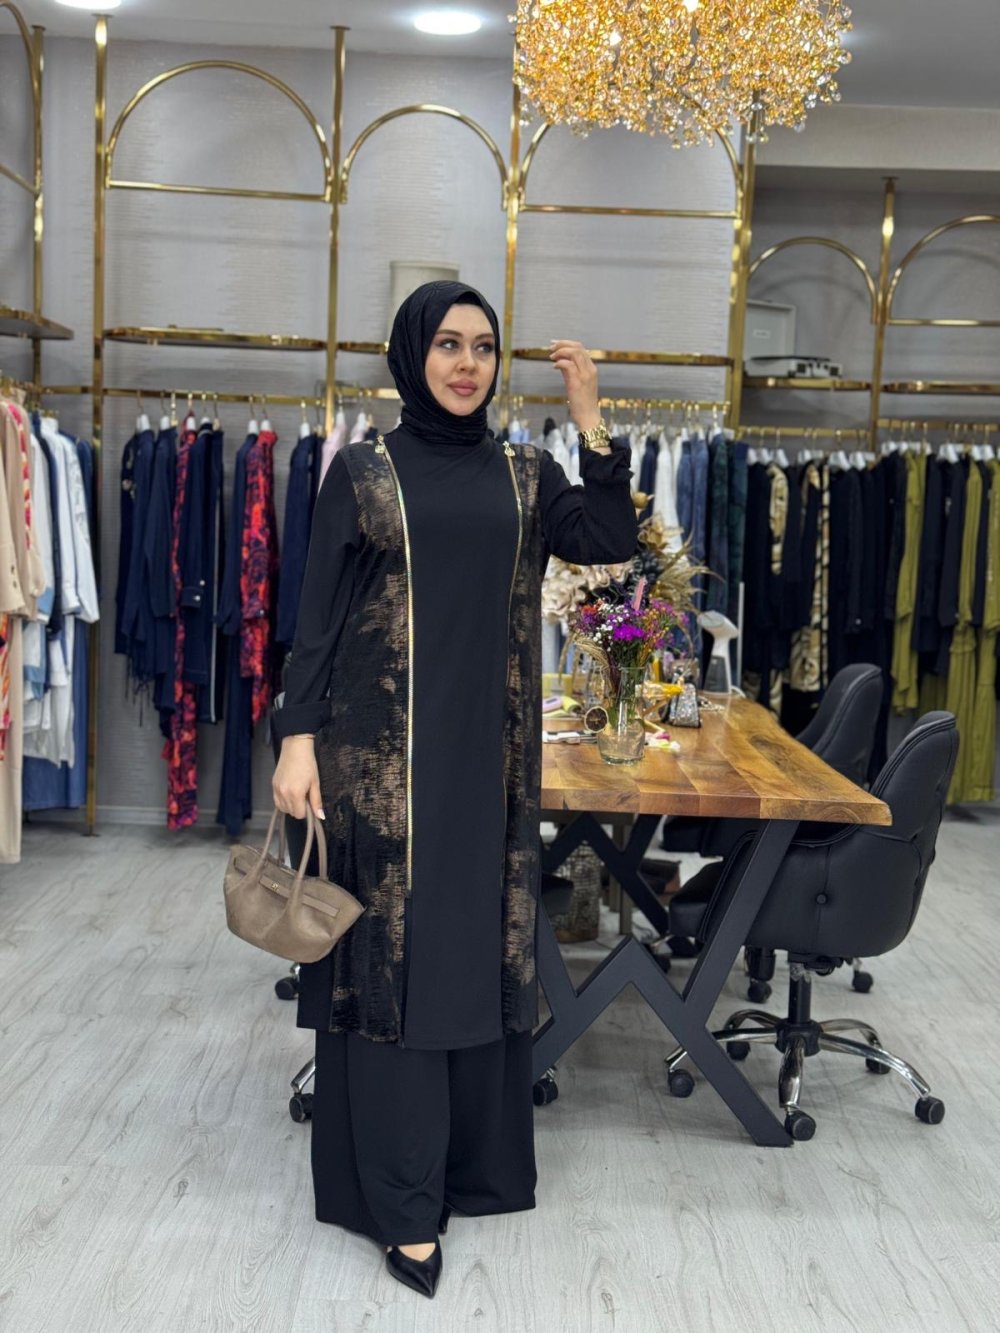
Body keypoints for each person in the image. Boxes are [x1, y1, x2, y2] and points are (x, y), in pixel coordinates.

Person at [271, 280, 638, 1298]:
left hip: (490, 762)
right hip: (376, 765)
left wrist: (590, 417)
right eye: (446, 343)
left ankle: (469, 1164)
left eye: (482, 346)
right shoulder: (363, 473)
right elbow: (316, 618)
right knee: (393, 960)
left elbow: (610, 540)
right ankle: (400, 1196)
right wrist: (294, 740)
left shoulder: (526, 474)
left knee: (474, 949)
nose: (467, 363)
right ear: (411, 354)